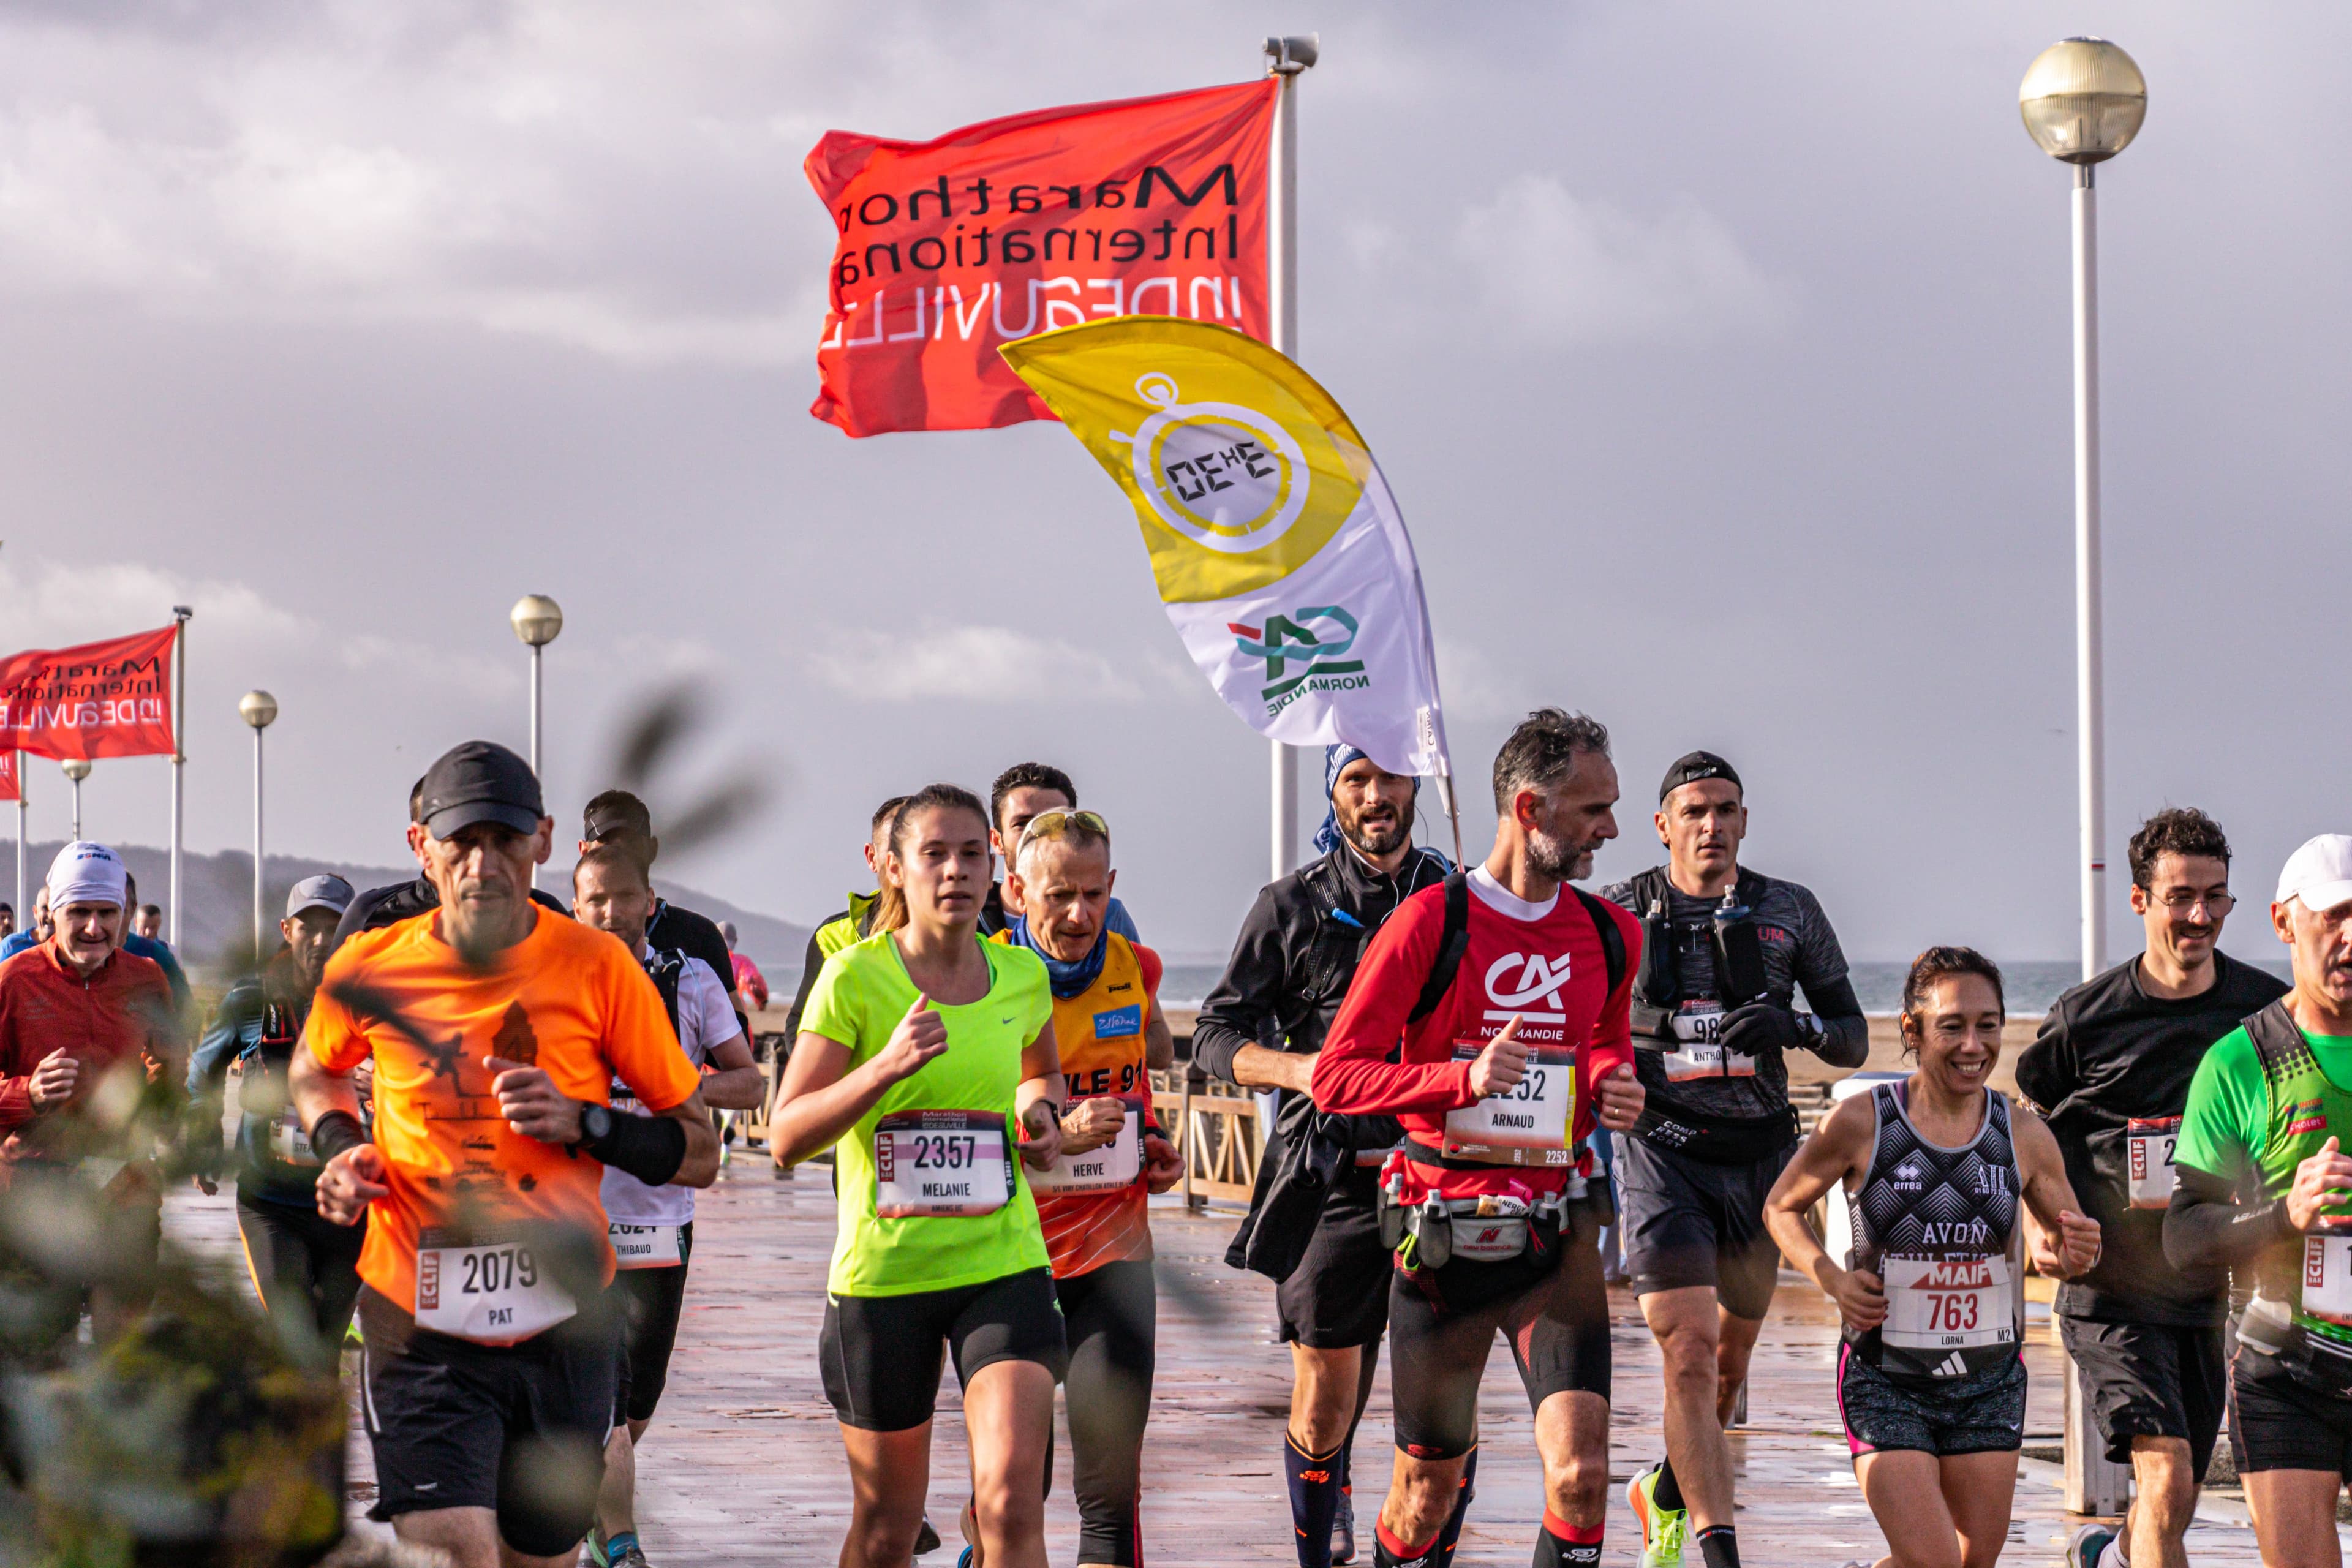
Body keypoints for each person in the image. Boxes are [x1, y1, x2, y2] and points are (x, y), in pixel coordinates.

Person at [289, 741, 722, 1568]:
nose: (484, 863)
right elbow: (316, 1068)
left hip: (563, 1323)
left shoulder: (599, 968)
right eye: (461, 841)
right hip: (416, 1319)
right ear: (422, 845)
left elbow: (698, 1150)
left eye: (506, 840)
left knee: (541, 1559)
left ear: (545, 841)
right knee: (456, 1555)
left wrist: (587, 1123)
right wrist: (341, 1146)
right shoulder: (372, 964)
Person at [1311, 709, 1646, 1568]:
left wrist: (1613, 1080)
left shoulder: (1613, 932)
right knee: (1426, 1498)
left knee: (1580, 1475)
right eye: (1592, 809)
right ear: (1529, 809)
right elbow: (1336, 1079)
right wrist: (1457, 1081)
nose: (1610, 827)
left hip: (1555, 1233)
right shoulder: (1430, 922)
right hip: (1443, 1241)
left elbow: (1603, 1034)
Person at [767, 783, 1069, 1568]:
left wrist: (1041, 1122)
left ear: (995, 864)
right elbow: (786, 1136)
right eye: (934, 853)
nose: (956, 870)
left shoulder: (1022, 977)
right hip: (884, 1279)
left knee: (1008, 1505)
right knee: (887, 1527)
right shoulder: (854, 979)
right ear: (894, 869)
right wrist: (885, 1068)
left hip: (1001, 1263)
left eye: (973, 852)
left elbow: (1040, 1075)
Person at [1598, 750, 1868, 1568]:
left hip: (1763, 1160)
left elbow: (1852, 1039)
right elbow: (1569, 1026)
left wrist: (1794, 1029)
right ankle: (1718, 1552)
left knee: (1725, 1372)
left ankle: (1666, 1491)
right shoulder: (1615, 915)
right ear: (1663, 825)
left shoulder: (1789, 910)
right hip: (1661, 1154)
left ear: (1744, 821)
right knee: (1687, 1349)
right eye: (1694, 811)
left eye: (1725, 810)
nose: (1710, 825)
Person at [1191, 744, 1453, 1568]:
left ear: (1417, 784)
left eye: (1391, 777)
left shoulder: (1465, 899)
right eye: (1356, 780)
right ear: (1335, 794)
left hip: (1443, 1175)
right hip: (1332, 1175)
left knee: (1446, 1406)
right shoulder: (1290, 905)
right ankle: (1320, 1523)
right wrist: (1303, 1070)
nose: (1377, 796)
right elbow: (1213, 1035)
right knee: (1326, 1402)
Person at [1765, 947, 2101, 1568]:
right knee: (1935, 1561)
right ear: (1913, 1031)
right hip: (1886, 1376)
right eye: (1953, 1025)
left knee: (1971, 1562)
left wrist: (2072, 1252)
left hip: (1989, 1380)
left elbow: (2067, 1242)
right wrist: (1833, 1280)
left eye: (1989, 1024)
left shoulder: (2022, 1134)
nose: (1974, 1044)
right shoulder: (1864, 1120)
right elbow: (1781, 1207)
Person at [2012, 809, 2286, 1568]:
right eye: (2180, 897)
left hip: (2205, 1288)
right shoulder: (2086, 1019)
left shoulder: (2263, 1015)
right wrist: (2041, 1222)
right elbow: (2021, 1124)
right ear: (2141, 900)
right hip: (2109, 1287)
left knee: (2181, 1490)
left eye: (2216, 897)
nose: (2199, 915)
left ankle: (2106, 1554)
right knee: (2163, 1472)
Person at [990, 808, 1184, 1568]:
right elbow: (954, 1120)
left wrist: (1156, 1145)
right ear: (1015, 890)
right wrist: (1050, 1135)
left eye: (1095, 894)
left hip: (1114, 1257)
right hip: (1009, 1263)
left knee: (1109, 1494)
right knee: (1010, 1493)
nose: (1079, 914)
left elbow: (1130, 1088)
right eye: (1058, 894)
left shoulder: (1137, 966)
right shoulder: (985, 976)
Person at [572, 844, 765, 1568]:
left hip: (661, 1219)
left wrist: (682, 1087)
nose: (613, 911)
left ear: (650, 903)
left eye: (626, 896)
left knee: (638, 1399)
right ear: (576, 907)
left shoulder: (690, 981)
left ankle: (593, 1513)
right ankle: (620, 1543)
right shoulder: (555, 982)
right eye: (597, 899)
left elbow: (747, 1084)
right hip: (575, 1217)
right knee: (604, 1397)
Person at [2163, 832, 2352, 1568]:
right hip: (2287, 1372)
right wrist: (2286, 1215)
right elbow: (2185, 1238)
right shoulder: (2240, 1061)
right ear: (2283, 922)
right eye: (2333, 918)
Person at [0, 842, 184, 1346]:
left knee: (121, 1349)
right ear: (53, 912)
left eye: (107, 913)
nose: (93, 928)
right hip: (36, 1186)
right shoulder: (14, 980)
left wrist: (158, 1102)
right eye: (79, 912)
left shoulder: (147, 979)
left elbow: (167, 1065)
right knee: (43, 1353)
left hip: (123, 1181)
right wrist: (28, 1094)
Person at [186, 874, 368, 1344]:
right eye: (310, 927)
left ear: (354, 933)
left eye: (335, 926)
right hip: (272, 1205)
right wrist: (206, 1145)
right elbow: (202, 1072)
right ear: (287, 931)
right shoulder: (250, 999)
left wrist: (378, 1081)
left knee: (326, 1349)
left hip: (349, 1206)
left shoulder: (374, 1003)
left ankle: (314, 1417)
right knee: (295, 1340)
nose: (322, 940)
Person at [337, 774, 569, 946]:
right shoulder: (371, 916)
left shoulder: (546, 913)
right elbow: (325, 1006)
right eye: (454, 835)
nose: (479, 860)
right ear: (417, 842)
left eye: (503, 838)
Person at [578, 791, 741, 1009]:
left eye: (630, 847)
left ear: (651, 851)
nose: (617, 858)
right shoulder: (557, 938)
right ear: (583, 851)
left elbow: (734, 1023)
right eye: (606, 848)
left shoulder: (698, 936)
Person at [783, 796, 909, 1047]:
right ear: (872, 857)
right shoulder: (834, 937)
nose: (904, 862)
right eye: (894, 849)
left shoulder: (965, 930)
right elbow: (801, 1023)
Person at [982, 762, 1139, 941]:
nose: (1038, 836)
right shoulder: (967, 917)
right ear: (996, 841)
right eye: (1023, 824)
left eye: (1055, 823)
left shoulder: (1109, 918)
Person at [720, 920, 770, 1012]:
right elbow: (753, 981)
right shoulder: (742, 962)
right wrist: (761, 1001)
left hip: (712, 1013)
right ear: (735, 940)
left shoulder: (705, 961)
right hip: (737, 1012)